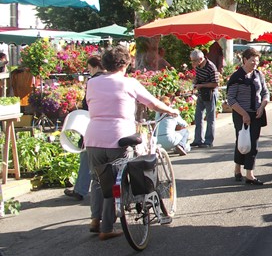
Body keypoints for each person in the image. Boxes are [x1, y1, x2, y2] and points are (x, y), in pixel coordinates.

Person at [84, 46, 179, 240]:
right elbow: (152, 103)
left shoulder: (92, 83)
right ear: (126, 64)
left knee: (97, 179)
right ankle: (107, 227)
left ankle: (95, 219)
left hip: (93, 137)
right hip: (118, 138)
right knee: (115, 182)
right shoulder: (129, 83)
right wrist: (171, 111)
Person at [64, 55, 105, 203]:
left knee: (86, 155)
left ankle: (80, 190)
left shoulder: (93, 82)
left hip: (94, 124)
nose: (89, 72)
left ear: (95, 67)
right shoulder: (116, 79)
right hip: (115, 126)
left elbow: (88, 104)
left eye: (89, 69)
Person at [226, 47, 269, 184]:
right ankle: (237, 168)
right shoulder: (236, 77)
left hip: (256, 113)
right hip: (241, 114)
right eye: (252, 61)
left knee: (253, 143)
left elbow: (265, 93)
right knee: (242, 141)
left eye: (256, 61)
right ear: (244, 60)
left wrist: (262, 107)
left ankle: (249, 173)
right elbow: (231, 99)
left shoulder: (258, 75)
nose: (255, 64)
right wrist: (244, 114)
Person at [190, 48, 220, 148]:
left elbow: (215, 83)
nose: (193, 63)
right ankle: (198, 139)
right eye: (192, 60)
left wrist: (201, 86)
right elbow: (198, 78)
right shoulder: (198, 67)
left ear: (201, 59)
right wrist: (194, 83)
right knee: (198, 116)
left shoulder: (211, 67)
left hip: (211, 93)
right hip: (201, 93)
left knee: (210, 118)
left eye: (194, 61)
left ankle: (208, 141)